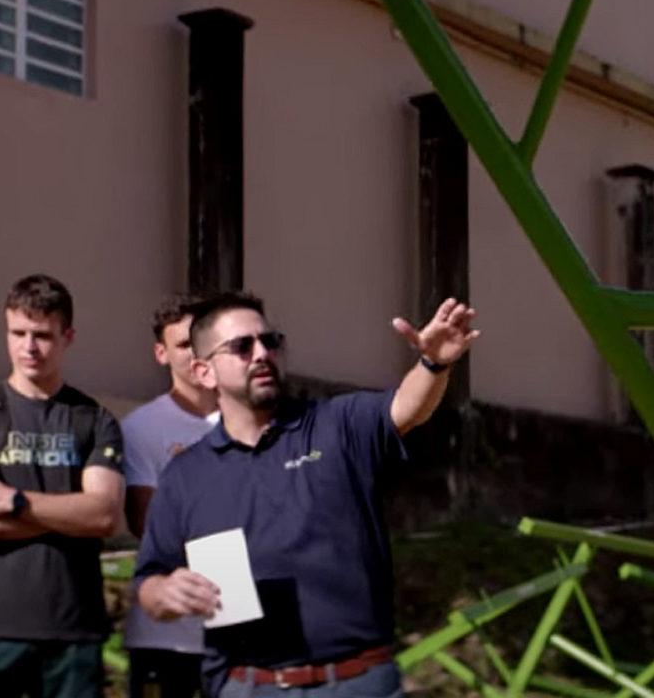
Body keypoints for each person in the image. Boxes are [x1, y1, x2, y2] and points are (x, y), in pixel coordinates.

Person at [134, 291, 479, 698]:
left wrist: (434, 363)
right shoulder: (186, 474)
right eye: (242, 347)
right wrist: (166, 591)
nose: (261, 353)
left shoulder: (337, 425)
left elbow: (407, 408)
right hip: (248, 687)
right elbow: (148, 584)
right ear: (203, 371)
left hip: (358, 683)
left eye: (270, 341)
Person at [0, 274, 125, 698]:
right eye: (17, 333)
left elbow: (106, 515)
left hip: (73, 627)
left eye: (42, 335)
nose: (29, 347)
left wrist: (12, 500)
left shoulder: (92, 419)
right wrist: (72, 515)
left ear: (67, 337)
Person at [123, 294, 220, 698]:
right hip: (166, 637)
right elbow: (147, 523)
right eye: (182, 344)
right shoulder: (142, 427)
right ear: (161, 354)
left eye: (201, 340)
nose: (194, 353)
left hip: (246, 635)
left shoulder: (254, 423)